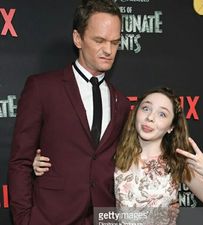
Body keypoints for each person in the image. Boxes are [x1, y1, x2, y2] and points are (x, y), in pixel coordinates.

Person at [8, 1, 130, 225]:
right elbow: (20, 162)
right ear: (78, 38)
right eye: (99, 40)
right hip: (50, 218)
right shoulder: (42, 88)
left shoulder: (121, 102)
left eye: (115, 42)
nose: (108, 50)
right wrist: (24, 219)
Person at [33, 87, 203, 225]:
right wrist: (39, 163)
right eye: (146, 108)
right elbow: (78, 171)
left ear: (172, 127)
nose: (150, 117)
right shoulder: (114, 152)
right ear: (136, 112)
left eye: (162, 114)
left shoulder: (177, 161)